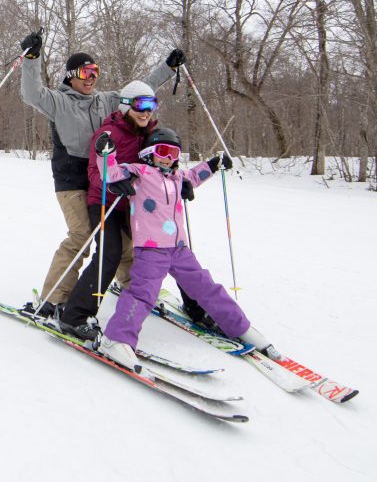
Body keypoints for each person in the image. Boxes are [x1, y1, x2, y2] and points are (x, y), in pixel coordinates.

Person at [17, 28, 185, 317]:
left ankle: (135, 287)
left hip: (108, 179)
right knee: (81, 235)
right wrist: (32, 58)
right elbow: (31, 93)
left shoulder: (106, 100)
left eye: (95, 72)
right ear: (71, 75)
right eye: (85, 72)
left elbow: (141, 90)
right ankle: (53, 298)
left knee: (123, 238)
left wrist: (168, 68)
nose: (91, 77)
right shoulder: (58, 101)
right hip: (73, 180)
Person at [90, 126, 279, 369]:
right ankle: (116, 339)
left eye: (174, 153)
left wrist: (214, 164)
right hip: (151, 249)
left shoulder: (178, 177)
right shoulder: (140, 172)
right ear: (149, 152)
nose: (168, 158)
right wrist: (105, 153)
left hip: (180, 250)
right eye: (163, 151)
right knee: (142, 294)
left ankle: (239, 326)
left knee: (207, 288)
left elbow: (194, 176)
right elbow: (112, 173)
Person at [54, 80, 159, 339]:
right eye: (140, 105)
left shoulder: (150, 135)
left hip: (134, 206)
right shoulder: (108, 134)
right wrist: (113, 184)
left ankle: (192, 304)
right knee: (108, 255)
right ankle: (75, 317)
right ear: (125, 105)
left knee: (164, 251)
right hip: (105, 203)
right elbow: (94, 172)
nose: (146, 112)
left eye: (151, 105)